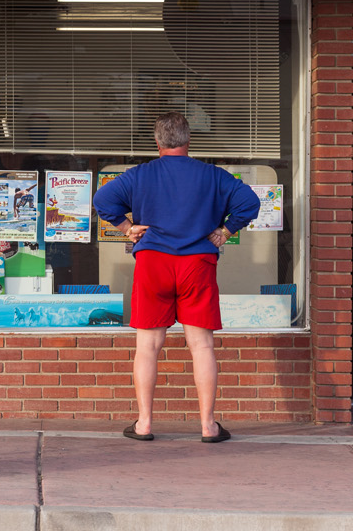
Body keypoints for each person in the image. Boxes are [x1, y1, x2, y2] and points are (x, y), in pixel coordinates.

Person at [93, 112, 260, 443]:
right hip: (197, 264)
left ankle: (143, 424)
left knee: (147, 347)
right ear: (188, 141)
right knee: (201, 346)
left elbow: (103, 200)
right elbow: (250, 202)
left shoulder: (139, 175)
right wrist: (226, 231)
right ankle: (208, 426)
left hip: (153, 263)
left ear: (157, 143)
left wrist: (127, 228)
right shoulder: (212, 175)